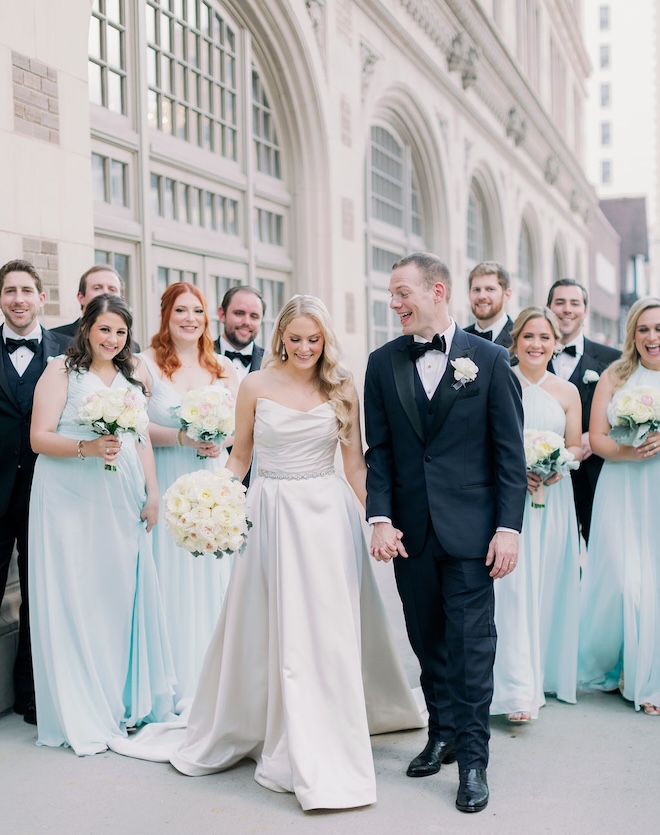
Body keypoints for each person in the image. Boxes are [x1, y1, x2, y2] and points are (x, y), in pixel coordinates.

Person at [169, 295, 424, 810]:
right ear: (281, 336)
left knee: (323, 630)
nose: (306, 348)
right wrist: (209, 506)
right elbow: (240, 457)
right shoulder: (256, 385)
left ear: (325, 340)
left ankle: (325, 733)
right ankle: (269, 723)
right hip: (269, 512)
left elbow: (354, 467)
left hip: (326, 517)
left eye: (315, 339)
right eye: (296, 338)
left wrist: (380, 521)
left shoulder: (342, 387)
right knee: (270, 622)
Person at [364, 252, 527, 814]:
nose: (394, 304)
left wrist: (508, 529)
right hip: (411, 533)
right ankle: (442, 732)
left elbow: (510, 456)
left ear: (436, 291)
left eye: (401, 292)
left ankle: (475, 760)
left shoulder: (490, 360)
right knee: (426, 636)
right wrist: (380, 518)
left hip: (474, 533)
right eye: (391, 294)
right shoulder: (382, 363)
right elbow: (379, 451)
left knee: (471, 644)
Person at [28, 294, 175, 755]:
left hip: (121, 496)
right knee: (76, 595)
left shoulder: (132, 376)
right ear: (87, 327)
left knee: (116, 596)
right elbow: (38, 437)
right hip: (68, 496)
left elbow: (141, 442)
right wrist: (85, 449)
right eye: (104, 328)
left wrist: (152, 492)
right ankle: (80, 704)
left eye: (121, 331)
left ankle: (117, 700)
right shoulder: (60, 372)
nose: (112, 339)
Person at [140, 282, 239, 710]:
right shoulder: (143, 364)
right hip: (165, 480)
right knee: (171, 578)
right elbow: (135, 427)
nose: (189, 318)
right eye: (180, 310)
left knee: (212, 579)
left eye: (196, 311)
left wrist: (222, 439)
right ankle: (174, 682)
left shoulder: (222, 367)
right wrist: (183, 438)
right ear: (166, 315)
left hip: (211, 482)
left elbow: (240, 427)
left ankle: (216, 679)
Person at [491, 307, 582, 723]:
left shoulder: (567, 392)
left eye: (545, 337)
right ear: (516, 340)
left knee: (545, 583)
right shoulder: (500, 380)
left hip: (553, 500)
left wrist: (557, 465)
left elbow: (576, 445)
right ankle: (513, 687)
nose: (536, 344)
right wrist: (515, 471)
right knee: (511, 589)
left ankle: (540, 673)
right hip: (508, 501)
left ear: (555, 343)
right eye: (528, 336)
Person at [578, 297, 660, 715]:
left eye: (658, 329)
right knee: (628, 584)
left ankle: (651, 681)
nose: (651, 337)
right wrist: (633, 452)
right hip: (623, 488)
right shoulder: (615, 375)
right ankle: (627, 664)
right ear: (632, 334)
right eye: (643, 329)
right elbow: (597, 437)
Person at [0, 259, 70, 726]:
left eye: (27, 290)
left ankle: (30, 693)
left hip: (49, 493)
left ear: (42, 298)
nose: (19, 299)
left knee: (39, 594)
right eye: (10, 291)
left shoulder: (68, 351)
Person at [547, 279, 620, 543]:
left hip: (596, 473)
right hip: (546, 479)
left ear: (585, 311)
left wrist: (600, 435)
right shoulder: (530, 356)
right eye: (560, 302)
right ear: (549, 308)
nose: (567, 309)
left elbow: (624, 411)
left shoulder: (612, 358)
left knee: (602, 551)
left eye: (574, 303)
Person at [52, 264, 140, 351]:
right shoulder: (53, 339)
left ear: (122, 299)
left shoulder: (133, 348)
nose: (106, 293)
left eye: (112, 289)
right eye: (97, 288)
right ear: (81, 297)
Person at [213, 285, 265, 380]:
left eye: (254, 316)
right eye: (239, 313)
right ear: (222, 314)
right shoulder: (200, 355)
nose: (246, 322)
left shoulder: (272, 362)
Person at [463, 261, 514, 348]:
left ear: (506, 295)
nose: (482, 296)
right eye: (476, 289)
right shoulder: (459, 339)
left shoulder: (520, 339)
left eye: (490, 289)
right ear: (469, 294)